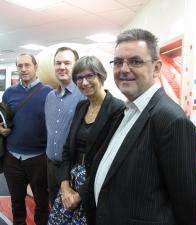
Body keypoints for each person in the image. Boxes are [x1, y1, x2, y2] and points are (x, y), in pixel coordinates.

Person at [86, 28, 196, 225]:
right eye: (118, 62)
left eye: (135, 61)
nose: (124, 69)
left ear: (157, 68)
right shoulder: (124, 111)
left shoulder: (171, 121)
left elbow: (191, 207)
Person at [48, 56, 125, 224]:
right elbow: (68, 148)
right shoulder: (81, 106)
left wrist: (80, 194)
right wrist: (65, 185)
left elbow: (109, 159)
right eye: (79, 78)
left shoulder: (117, 109)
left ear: (102, 76)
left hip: (94, 185)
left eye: (90, 76)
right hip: (70, 180)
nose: (84, 82)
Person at [0, 53, 52, 225]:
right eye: (20, 66)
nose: (24, 69)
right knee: (16, 201)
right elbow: (2, 119)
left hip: (39, 158)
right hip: (12, 157)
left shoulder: (49, 93)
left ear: (36, 67)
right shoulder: (9, 93)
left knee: (42, 203)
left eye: (27, 65)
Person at [45, 46, 85, 205]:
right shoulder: (49, 97)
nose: (62, 67)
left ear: (76, 66)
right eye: (58, 63)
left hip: (72, 168)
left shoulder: (84, 95)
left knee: (71, 213)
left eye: (67, 63)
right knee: (54, 209)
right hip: (50, 166)